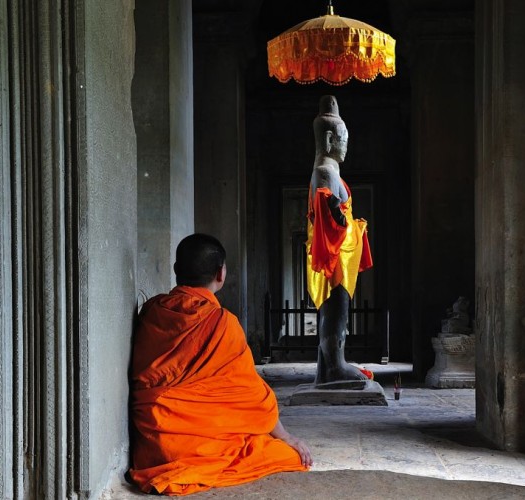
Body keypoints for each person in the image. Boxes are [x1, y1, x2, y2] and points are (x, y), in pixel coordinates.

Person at [129, 233, 312, 496]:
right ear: (220, 274)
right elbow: (251, 394)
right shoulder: (222, 323)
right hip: (196, 444)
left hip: (154, 445)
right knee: (285, 455)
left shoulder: (153, 310)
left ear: (176, 270)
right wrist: (285, 437)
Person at [307, 95, 373, 385]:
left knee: (335, 309)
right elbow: (325, 208)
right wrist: (341, 216)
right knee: (336, 310)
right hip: (335, 255)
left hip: (341, 253)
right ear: (331, 138)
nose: (347, 145)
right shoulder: (325, 172)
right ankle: (335, 365)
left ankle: (329, 367)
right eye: (344, 138)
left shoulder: (329, 171)